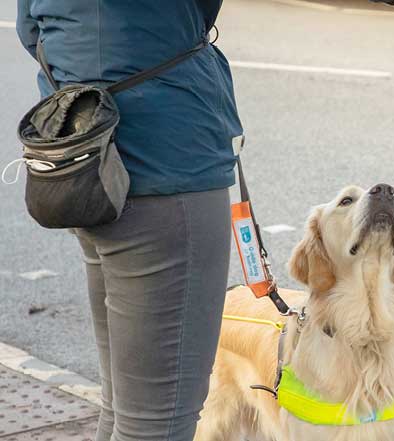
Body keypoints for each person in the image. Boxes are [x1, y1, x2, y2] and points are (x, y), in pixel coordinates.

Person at [16, 1, 241, 440]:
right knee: (157, 426)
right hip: (166, 166)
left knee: (125, 412)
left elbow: (31, 29)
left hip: (88, 161)